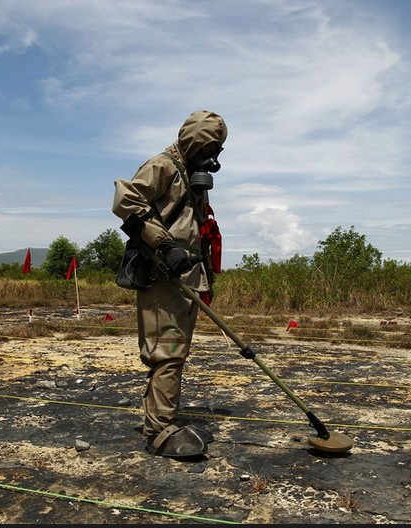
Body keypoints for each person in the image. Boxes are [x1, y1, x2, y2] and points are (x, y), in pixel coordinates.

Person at [112, 110, 227, 458]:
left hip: (187, 278)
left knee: (178, 352)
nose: (214, 158)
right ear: (193, 141)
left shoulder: (191, 175)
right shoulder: (162, 166)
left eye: (218, 150)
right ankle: (159, 432)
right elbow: (125, 200)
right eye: (209, 148)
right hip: (162, 274)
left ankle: (167, 418)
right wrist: (164, 244)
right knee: (168, 353)